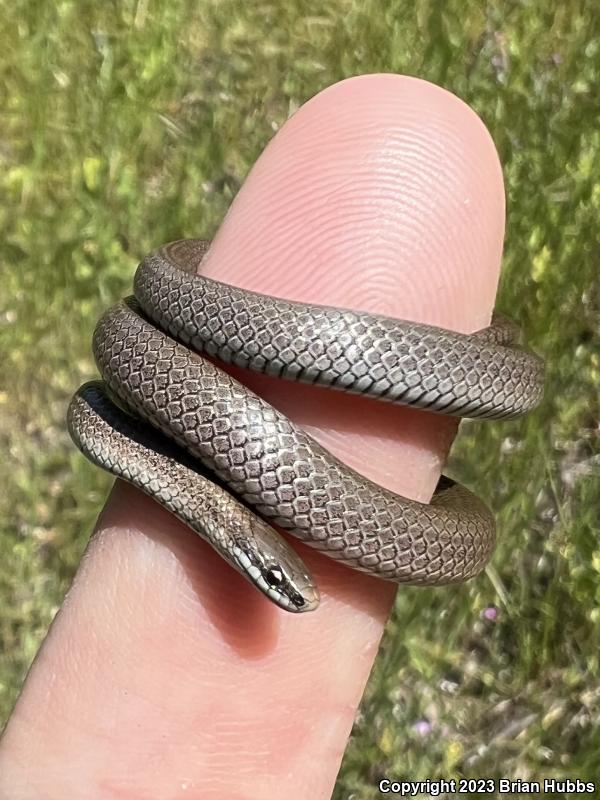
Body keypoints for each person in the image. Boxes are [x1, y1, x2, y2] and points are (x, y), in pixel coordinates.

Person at [0, 73, 507, 797]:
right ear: (251, 554)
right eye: (275, 577)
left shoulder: (199, 471)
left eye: (278, 577)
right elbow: (104, 396)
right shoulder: (204, 480)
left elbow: (102, 409)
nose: (285, 593)